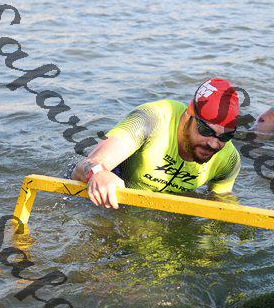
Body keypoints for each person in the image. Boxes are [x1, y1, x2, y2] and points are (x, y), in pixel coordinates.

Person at [69, 78, 241, 209]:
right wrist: (98, 173)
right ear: (189, 112)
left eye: (225, 136)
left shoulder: (228, 160)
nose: (214, 144)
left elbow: (222, 204)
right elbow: (86, 164)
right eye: (205, 130)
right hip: (114, 201)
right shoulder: (151, 120)